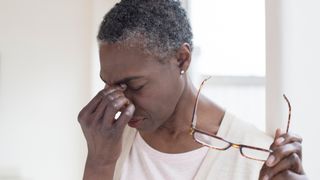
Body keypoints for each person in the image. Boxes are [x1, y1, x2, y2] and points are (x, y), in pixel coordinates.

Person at [78, 0, 307, 179]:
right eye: (109, 86)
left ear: (182, 59)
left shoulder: (256, 157)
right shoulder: (108, 142)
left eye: (135, 85)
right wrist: (99, 164)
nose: (121, 103)